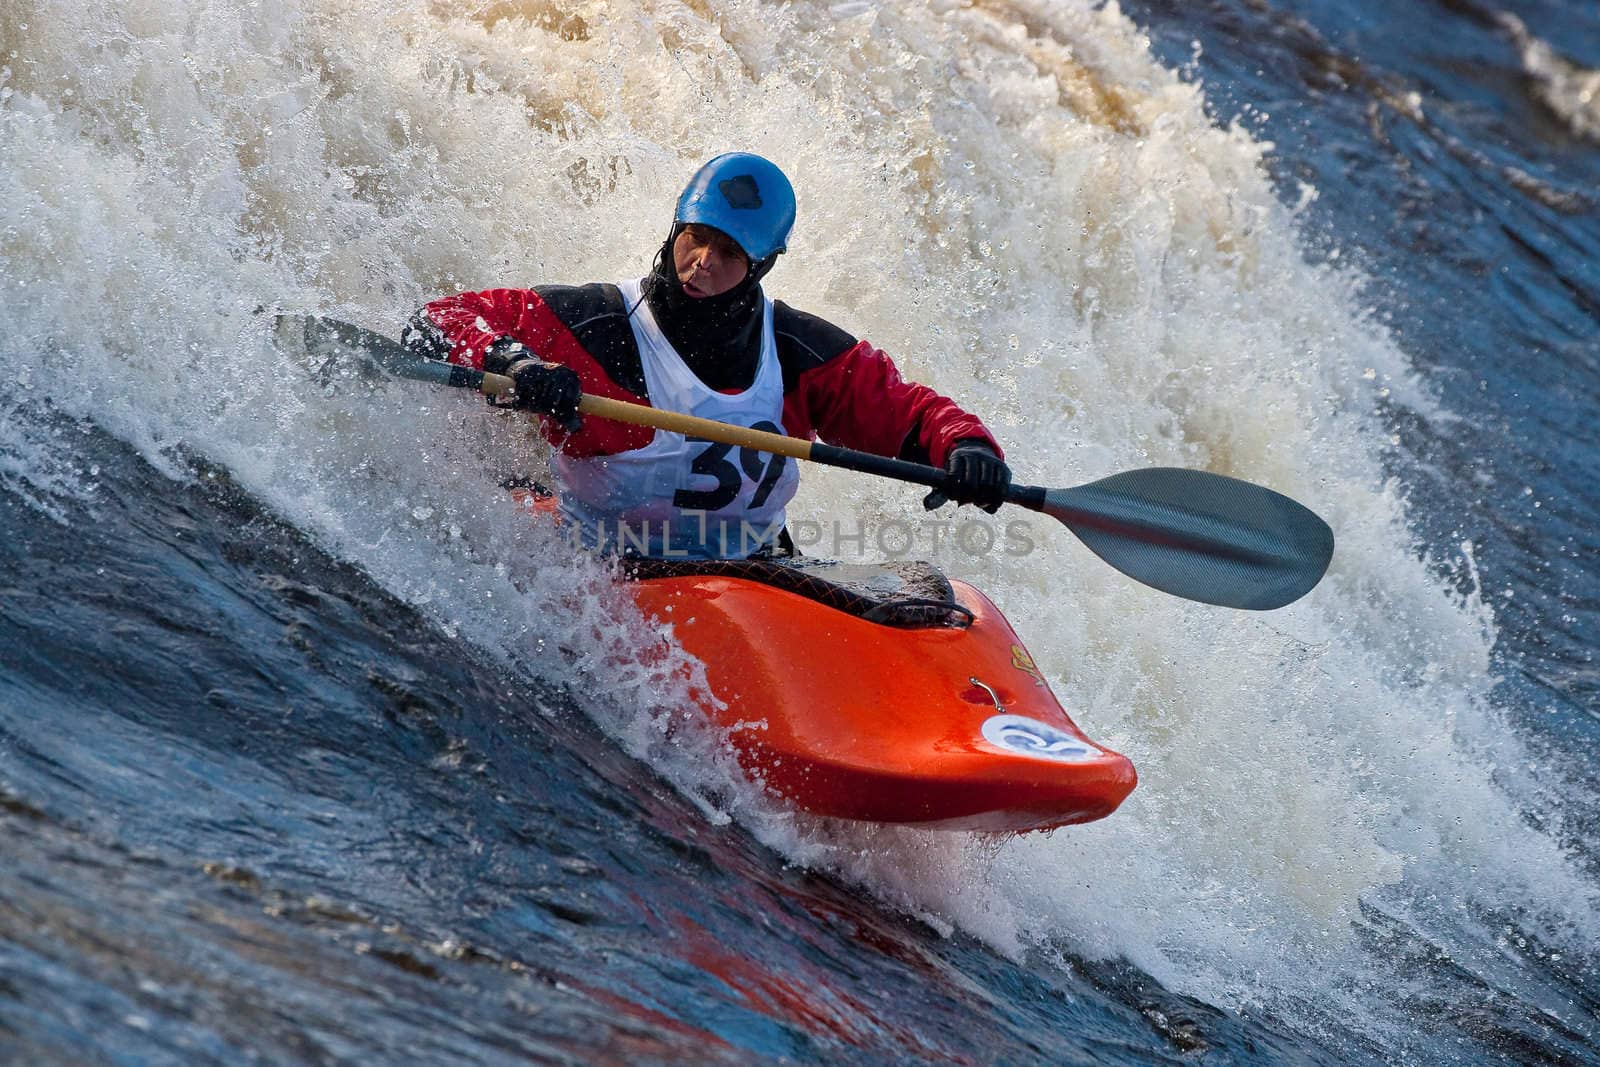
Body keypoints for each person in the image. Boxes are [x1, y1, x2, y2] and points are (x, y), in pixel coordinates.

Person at [403, 152, 1011, 559]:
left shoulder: (801, 351)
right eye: (695, 238)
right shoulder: (598, 323)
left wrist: (967, 447)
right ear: (675, 230)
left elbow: (907, 412)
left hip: (758, 571)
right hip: (603, 565)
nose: (702, 264)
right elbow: (442, 317)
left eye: (727, 253)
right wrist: (514, 362)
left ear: (760, 267)